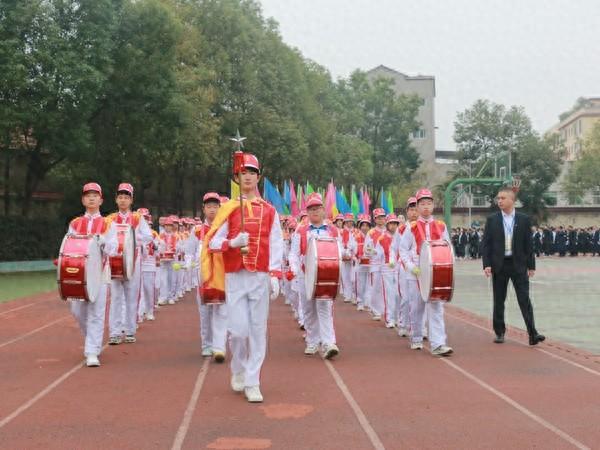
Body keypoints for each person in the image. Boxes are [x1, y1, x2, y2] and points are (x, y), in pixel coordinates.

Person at [203, 152, 283, 403]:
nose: (247, 177)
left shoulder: (269, 211)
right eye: (243, 173)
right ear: (236, 177)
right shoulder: (228, 209)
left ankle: (253, 380)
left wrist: (274, 273)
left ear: (258, 177)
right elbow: (212, 243)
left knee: (258, 330)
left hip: (259, 275)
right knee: (238, 331)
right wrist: (231, 242)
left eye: (251, 173)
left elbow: (277, 242)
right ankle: (237, 368)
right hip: (235, 276)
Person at [481, 186, 545, 346]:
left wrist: (531, 266)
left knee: (524, 300)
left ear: (512, 200)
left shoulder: (523, 220)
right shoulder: (493, 220)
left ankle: (533, 333)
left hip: (518, 265)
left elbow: (528, 244)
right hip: (499, 265)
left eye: (503, 198)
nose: (499, 201)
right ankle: (500, 332)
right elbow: (486, 244)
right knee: (499, 300)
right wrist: (487, 264)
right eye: (498, 198)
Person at [65, 182, 117, 367]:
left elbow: (114, 249)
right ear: (83, 200)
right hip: (79, 274)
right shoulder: (75, 223)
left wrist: (102, 241)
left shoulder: (108, 223)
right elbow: (68, 244)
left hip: (100, 273)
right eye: (88, 195)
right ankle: (92, 340)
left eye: (95, 195)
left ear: (101, 200)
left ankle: (92, 351)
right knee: (77, 310)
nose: (92, 198)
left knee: (96, 312)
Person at [400, 188, 453, 356]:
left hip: (435, 272)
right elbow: (403, 250)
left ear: (433, 205)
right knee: (417, 308)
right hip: (416, 273)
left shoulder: (440, 225)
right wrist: (411, 267)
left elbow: (448, 247)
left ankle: (438, 343)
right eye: (422, 204)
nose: (425, 207)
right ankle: (416, 337)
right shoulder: (411, 227)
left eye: (428, 203)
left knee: (436, 306)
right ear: (417, 206)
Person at [289, 192, 341, 359]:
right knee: (309, 309)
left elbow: (340, 250)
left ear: (323, 210)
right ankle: (312, 342)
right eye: (311, 209)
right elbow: (293, 254)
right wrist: (295, 269)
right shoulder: (301, 230)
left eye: (317, 208)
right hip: (306, 276)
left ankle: (329, 342)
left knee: (325, 308)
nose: (314, 212)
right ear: (307, 212)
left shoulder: (333, 230)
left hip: (326, 275)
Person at [107, 183, 153, 345]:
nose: (123, 200)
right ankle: (114, 332)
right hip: (114, 261)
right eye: (120, 197)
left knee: (132, 296)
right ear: (116, 199)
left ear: (131, 200)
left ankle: (130, 330)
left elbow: (148, 237)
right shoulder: (110, 219)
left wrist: (131, 240)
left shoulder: (137, 218)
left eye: (126, 197)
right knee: (115, 297)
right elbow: (104, 237)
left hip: (133, 260)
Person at [197, 192, 228, 362]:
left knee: (221, 311)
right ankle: (206, 344)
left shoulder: (224, 229)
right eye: (208, 206)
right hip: (203, 276)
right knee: (205, 312)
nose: (212, 210)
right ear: (203, 209)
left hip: (221, 276)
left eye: (215, 206)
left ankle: (219, 345)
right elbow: (189, 252)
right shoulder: (197, 231)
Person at [376, 213, 400, 329]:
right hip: (386, 268)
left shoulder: (401, 236)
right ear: (387, 225)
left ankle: (399, 318)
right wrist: (371, 252)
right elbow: (377, 254)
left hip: (399, 267)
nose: (393, 226)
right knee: (389, 294)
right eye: (391, 223)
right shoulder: (381, 238)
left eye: (395, 223)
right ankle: (389, 319)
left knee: (398, 294)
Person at [364, 208, 387, 321]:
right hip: (375, 264)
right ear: (375, 219)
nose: (381, 219)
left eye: (382, 217)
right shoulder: (371, 232)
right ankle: (376, 310)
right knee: (376, 287)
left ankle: (385, 311)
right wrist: (374, 252)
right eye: (378, 217)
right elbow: (367, 249)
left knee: (386, 288)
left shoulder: (389, 230)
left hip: (388, 264)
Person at [137, 208, 160, 322]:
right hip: (137, 264)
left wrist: (155, 246)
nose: (144, 220)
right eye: (142, 218)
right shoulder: (134, 231)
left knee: (148, 289)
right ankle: (139, 314)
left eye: (145, 218)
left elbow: (160, 249)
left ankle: (149, 311)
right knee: (138, 291)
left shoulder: (153, 234)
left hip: (149, 264)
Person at [340, 213, 357, 303]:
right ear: (345, 222)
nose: (349, 223)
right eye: (347, 221)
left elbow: (357, 245)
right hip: (344, 257)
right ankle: (347, 295)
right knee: (345, 276)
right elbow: (340, 244)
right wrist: (344, 253)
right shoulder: (341, 232)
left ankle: (354, 295)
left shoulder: (356, 232)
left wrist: (352, 254)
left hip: (354, 257)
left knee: (353, 277)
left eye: (351, 221)